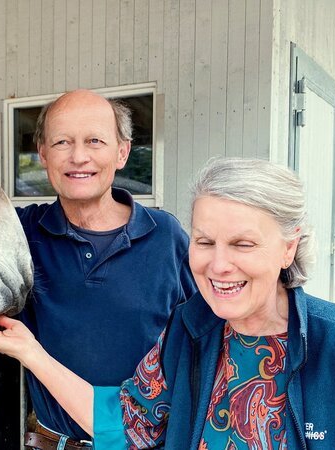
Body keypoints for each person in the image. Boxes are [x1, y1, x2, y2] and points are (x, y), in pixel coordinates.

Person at [0, 157, 335, 449]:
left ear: (288, 248)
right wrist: (31, 353)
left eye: (243, 244)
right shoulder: (189, 334)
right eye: (205, 241)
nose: (218, 265)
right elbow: (124, 428)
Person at [13, 89, 197, 448]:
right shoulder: (21, 233)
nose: (78, 156)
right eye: (62, 142)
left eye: (94, 141)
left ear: (122, 152)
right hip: (54, 442)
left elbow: (201, 336)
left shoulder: (166, 238)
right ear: (43, 155)